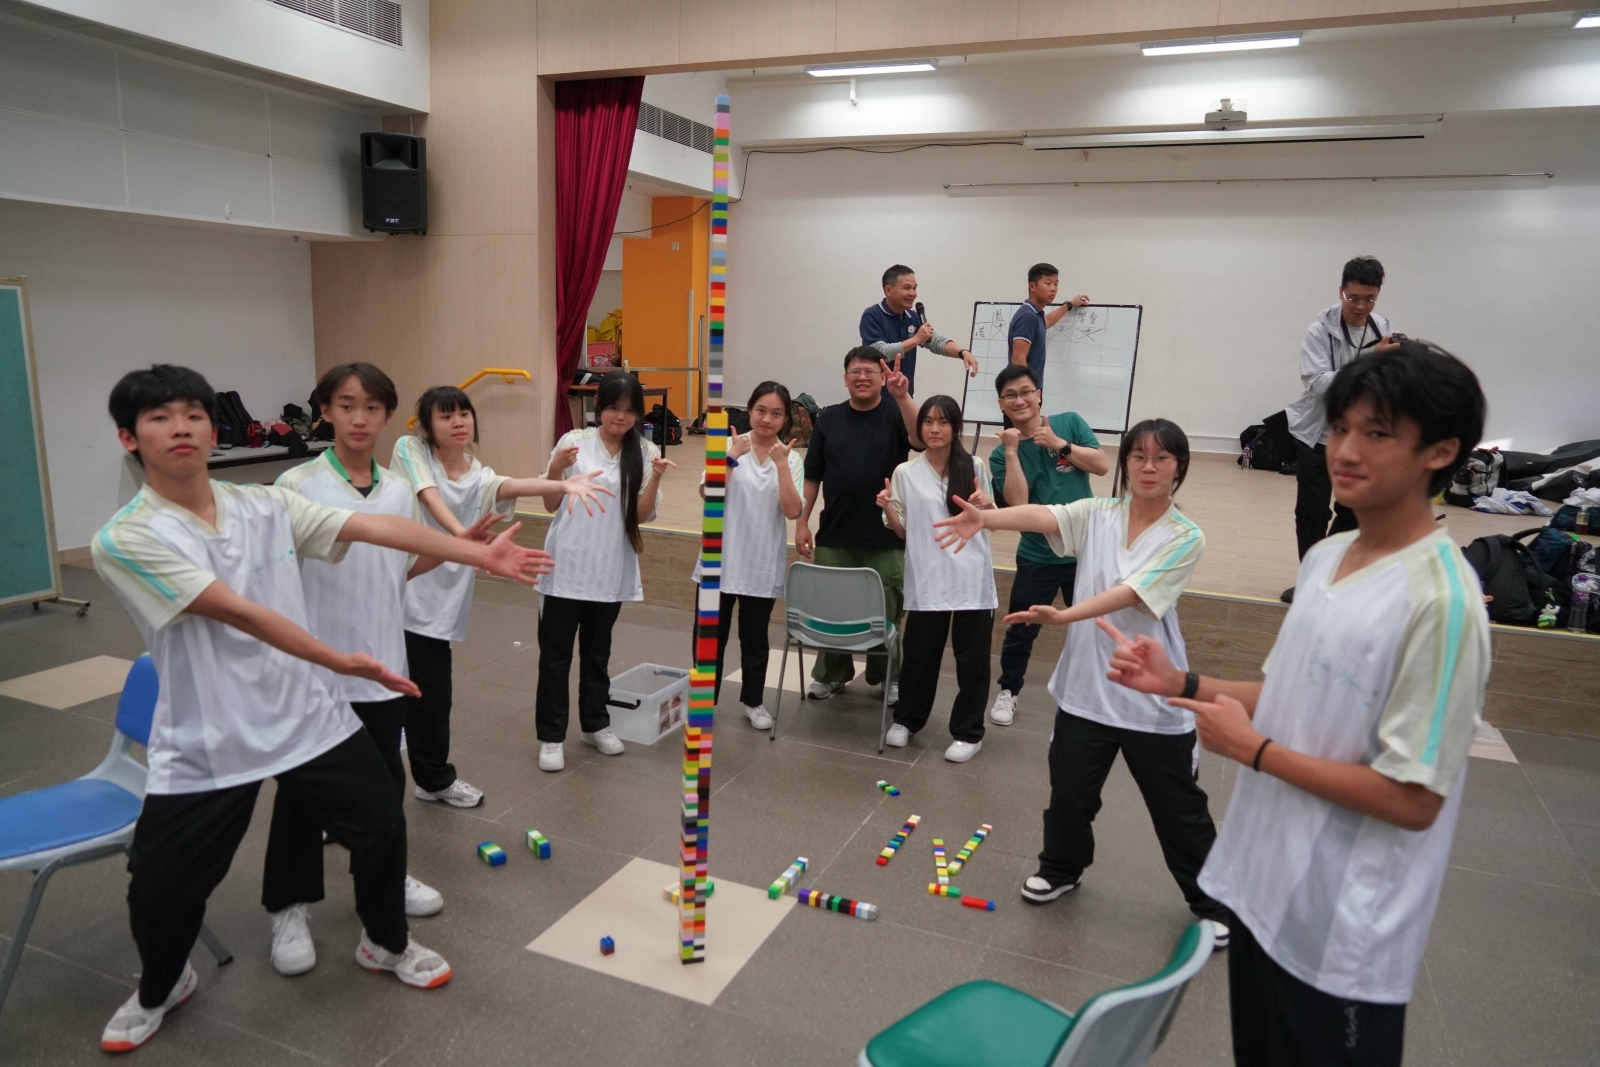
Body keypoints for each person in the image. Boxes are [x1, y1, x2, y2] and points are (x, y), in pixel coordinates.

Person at [92, 365, 551, 1052]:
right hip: (212, 733)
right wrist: (336, 658)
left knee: (381, 823)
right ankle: (162, 984)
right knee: (160, 885)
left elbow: (375, 528)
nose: (181, 427)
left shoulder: (264, 506)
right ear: (130, 437)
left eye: (193, 414)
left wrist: (474, 553)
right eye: (160, 417)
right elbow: (236, 610)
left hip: (307, 714)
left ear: (213, 429)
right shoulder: (126, 537)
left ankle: (385, 943)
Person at [1103, 342, 1489, 1067]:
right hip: (1261, 888)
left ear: (1440, 450)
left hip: (1344, 931)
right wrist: (1180, 683)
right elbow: (1291, 694)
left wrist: (1254, 751)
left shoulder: (1442, 601)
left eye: (1377, 432)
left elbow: (1413, 798)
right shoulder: (1325, 559)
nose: (1346, 450)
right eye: (1339, 427)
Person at [268, 365, 613, 979]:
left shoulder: (397, 492)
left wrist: (467, 547)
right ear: (325, 411)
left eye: (371, 406)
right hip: (316, 667)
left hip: (383, 666)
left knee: (384, 787)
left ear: (385, 415)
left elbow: (402, 570)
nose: (358, 418)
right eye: (345, 405)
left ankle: (384, 889)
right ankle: (289, 906)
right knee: (300, 795)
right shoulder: (295, 484)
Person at [933, 419, 1230, 937]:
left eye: (1161, 458)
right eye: (1138, 456)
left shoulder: (1185, 536)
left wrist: (1065, 616)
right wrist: (987, 518)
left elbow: (1133, 593)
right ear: (1126, 464)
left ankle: (1214, 904)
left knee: (1178, 809)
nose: (1148, 467)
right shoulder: (1099, 513)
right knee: (1070, 795)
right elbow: (1045, 515)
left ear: (1179, 468)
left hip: (1150, 694)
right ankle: (1061, 870)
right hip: (1087, 689)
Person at [393, 386, 612, 807]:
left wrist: (561, 484)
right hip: (393, 586)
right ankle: (352, 802)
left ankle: (432, 780)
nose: (458, 422)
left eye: (463, 414)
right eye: (445, 416)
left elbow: (507, 486)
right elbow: (427, 493)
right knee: (378, 703)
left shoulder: (478, 474)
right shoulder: (411, 450)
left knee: (432, 697)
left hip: (436, 600)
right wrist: (461, 536)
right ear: (427, 426)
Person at [536, 371, 673, 772]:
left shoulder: (644, 451)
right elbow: (548, 505)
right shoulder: (574, 443)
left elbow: (640, 516)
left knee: (598, 655)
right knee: (555, 658)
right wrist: (554, 470)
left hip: (609, 570)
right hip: (564, 569)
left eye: (630, 410)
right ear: (599, 406)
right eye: (614, 407)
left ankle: (595, 724)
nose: (621, 417)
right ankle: (551, 736)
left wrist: (656, 477)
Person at [796, 348, 921, 704]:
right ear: (845, 377)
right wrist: (802, 522)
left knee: (887, 611)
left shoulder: (895, 413)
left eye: (870, 371)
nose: (862, 377)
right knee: (833, 607)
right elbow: (813, 476)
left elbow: (919, 440)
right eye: (855, 372)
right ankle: (832, 674)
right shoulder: (829, 419)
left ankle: (889, 677)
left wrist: (903, 396)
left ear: (882, 378)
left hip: (887, 534)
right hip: (835, 532)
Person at [987, 364, 1110, 726]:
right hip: (1038, 555)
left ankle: (1098, 692)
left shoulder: (1069, 422)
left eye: (1026, 392)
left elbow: (1101, 465)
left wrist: (1060, 445)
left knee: (1094, 626)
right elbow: (1018, 504)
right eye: (1011, 395)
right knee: (1021, 628)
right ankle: (1008, 690)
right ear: (1001, 403)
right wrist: (1012, 451)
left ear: (1038, 394)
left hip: (1086, 551)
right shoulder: (1000, 454)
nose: (1020, 400)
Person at [878, 395, 997, 762]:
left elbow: (990, 518)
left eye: (943, 422)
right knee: (919, 656)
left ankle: (968, 733)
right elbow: (901, 530)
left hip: (971, 578)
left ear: (955, 427)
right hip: (928, 577)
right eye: (928, 421)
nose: (934, 428)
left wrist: (985, 505)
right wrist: (888, 507)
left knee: (972, 661)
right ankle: (906, 720)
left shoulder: (974, 465)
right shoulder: (906, 472)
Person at [1282, 255, 1400, 602]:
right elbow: (1318, 383)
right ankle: (1311, 582)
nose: (1361, 306)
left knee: (1354, 513)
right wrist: (1372, 362)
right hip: (1317, 436)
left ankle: (1328, 574)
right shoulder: (1319, 331)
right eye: (1354, 297)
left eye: (1369, 298)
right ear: (1341, 292)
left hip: (1360, 440)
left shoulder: (1384, 329)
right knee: (1312, 513)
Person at [694, 381, 804, 730]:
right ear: (750, 409)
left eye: (776, 414)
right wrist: (731, 458)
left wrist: (782, 465)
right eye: (761, 411)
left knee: (755, 640)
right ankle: (702, 703)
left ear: (785, 419)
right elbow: (710, 494)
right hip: (718, 560)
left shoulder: (791, 457)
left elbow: (792, 510)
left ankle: (753, 702)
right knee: (709, 638)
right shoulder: (728, 444)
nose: (767, 419)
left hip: (761, 562)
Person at [859, 264, 979, 394]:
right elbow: (878, 352)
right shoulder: (872, 315)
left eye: (914, 288)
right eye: (907, 288)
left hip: (905, 396)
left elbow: (936, 341)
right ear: (888, 291)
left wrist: (962, 353)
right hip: (877, 397)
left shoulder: (913, 316)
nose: (912, 293)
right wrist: (916, 339)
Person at [1006, 263, 1091, 387]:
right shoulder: (1028, 317)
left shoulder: (1034, 315)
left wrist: (1070, 304)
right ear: (1032, 286)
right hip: (1025, 391)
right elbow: (1018, 360)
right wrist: (1029, 391)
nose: (1053, 289)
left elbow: (1047, 321)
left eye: (1056, 284)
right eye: (1048, 283)